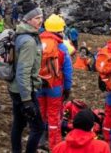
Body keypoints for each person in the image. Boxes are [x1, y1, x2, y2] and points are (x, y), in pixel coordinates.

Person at [8, 0, 44, 153]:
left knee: (19, 124)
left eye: (41, 17)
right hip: (24, 91)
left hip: (15, 88)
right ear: (28, 20)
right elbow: (23, 71)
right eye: (37, 18)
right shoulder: (29, 41)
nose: (41, 21)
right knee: (38, 127)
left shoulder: (20, 34)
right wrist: (27, 100)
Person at [38, 14, 73, 150]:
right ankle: (55, 145)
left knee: (41, 112)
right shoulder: (61, 47)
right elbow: (68, 70)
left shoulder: (38, 42)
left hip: (39, 83)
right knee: (54, 116)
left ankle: (40, 138)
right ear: (60, 30)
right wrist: (67, 88)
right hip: (55, 86)